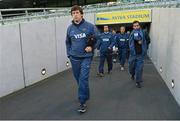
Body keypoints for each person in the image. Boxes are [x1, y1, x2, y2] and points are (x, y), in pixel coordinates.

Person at [65, 5, 98, 113]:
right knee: (79, 80)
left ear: (82, 14)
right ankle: (84, 94)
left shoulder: (90, 27)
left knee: (83, 79)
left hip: (86, 58)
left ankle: (82, 101)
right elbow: (67, 42)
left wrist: (91, 47)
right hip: (74, 58)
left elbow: (98, 39)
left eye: (77, 12)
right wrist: (69, 54)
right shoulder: (70, 28)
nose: (75, 14)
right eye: (73, 13)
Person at [128, 20, 147, 88]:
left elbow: (148, 40)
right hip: (133, 54)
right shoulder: (132, 33)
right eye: (135, 26)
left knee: (139, 68)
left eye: (137, 26)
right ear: (133, 27)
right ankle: (132, 74)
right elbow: (136, 38)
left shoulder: (144, 32)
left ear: (139, 26)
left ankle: (138, 81)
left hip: (140, 55)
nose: (136, 27)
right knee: (131, 67)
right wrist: (139, 39)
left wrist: (145, 47)